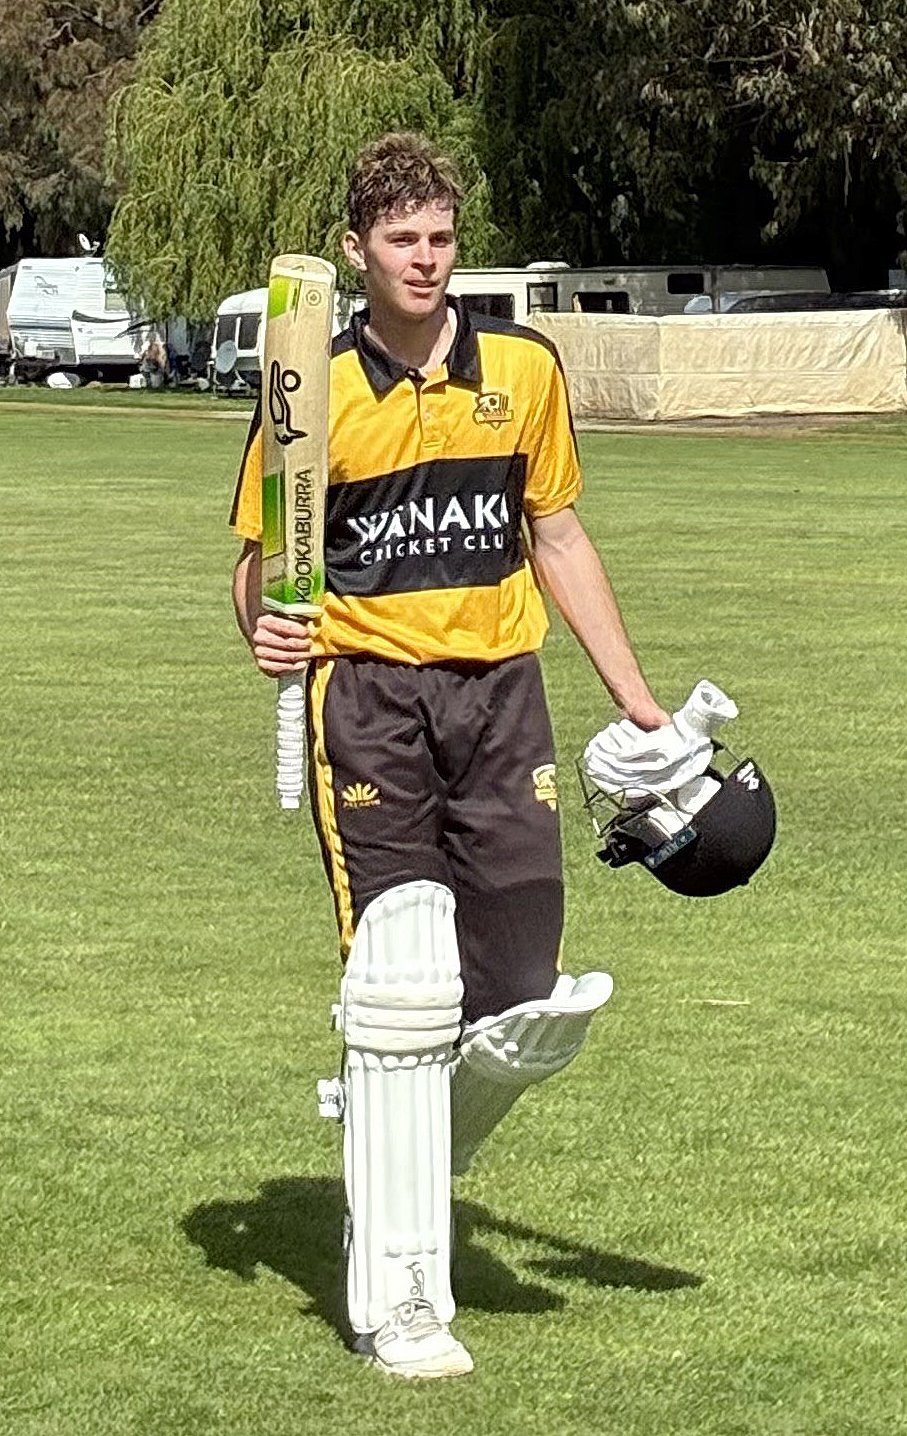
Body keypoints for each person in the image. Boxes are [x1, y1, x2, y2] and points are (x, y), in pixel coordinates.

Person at [230, 132, 669, 1380]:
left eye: (440, 238)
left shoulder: (521, 370)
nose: (425, 260)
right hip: (365, 701)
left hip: (501, 698)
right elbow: (263, 565)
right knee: (404, 981)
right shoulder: (308, 390)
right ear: (358, 250)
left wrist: (631, 697)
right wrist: (259, 626)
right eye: (402, 240)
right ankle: (401, 1296)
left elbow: (557, 534)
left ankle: (391, 1115)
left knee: (522, 981)